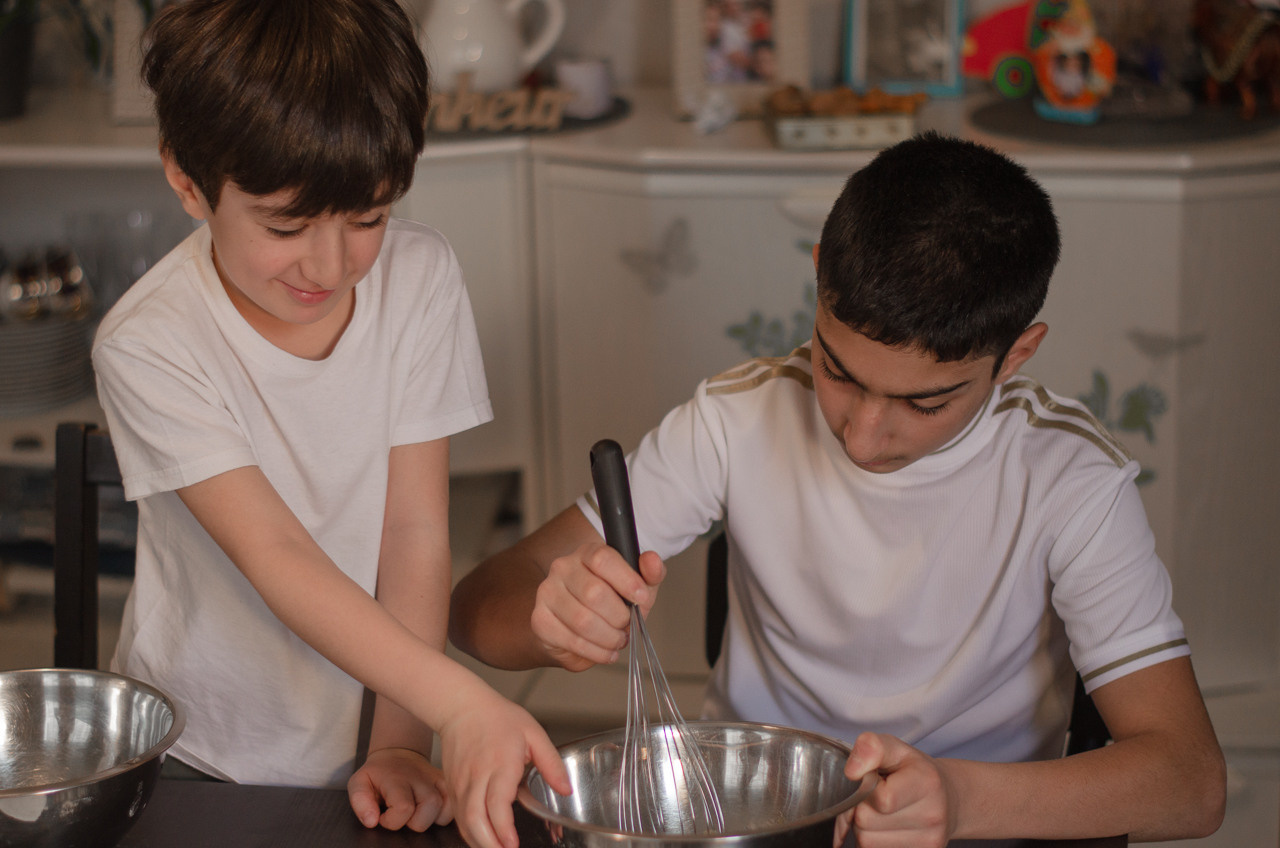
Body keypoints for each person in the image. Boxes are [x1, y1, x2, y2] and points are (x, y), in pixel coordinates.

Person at [448, 132, 1227, 845]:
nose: (859, 435)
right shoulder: (736, 419)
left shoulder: (1070, 481)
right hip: (753, 823)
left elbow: (1190, 782)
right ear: (820, 272)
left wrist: (956, 798)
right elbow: (475, 613)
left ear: (1016, 354)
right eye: (837, 370)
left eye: (926, 403)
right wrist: (548, 617)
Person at [92, 2, 568, 847]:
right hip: (204, 752)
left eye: (369, 218)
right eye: (285, 225)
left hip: (374, 728)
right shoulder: (150, 343)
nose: (332, 265)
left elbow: (414, 530)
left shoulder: (419, 280)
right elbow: (276, 556)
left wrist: (402, 740)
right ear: (187, 182)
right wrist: (456, 699)